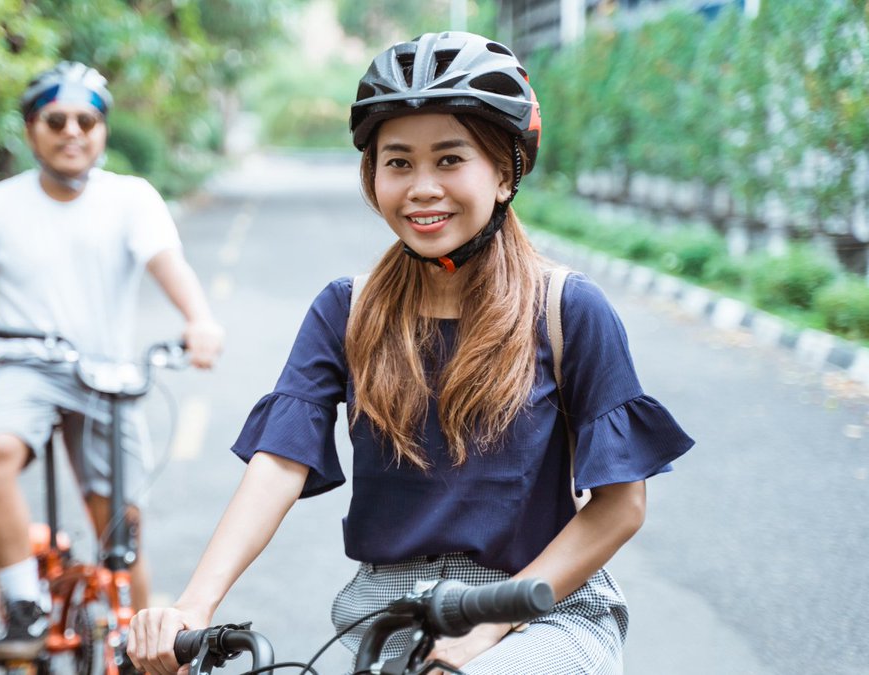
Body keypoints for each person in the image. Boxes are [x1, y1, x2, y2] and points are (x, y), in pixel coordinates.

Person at [126, 31, 694, 674]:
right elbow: (280, 461)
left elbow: (622, 504)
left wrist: (491, 624)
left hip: (539, 606)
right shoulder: (347, 309)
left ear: (505, 174)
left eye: (450, 160)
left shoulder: (567, 309)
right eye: (398, 162)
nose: (422, 187)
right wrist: (195, 605)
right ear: (374, 176)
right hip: (387, 613)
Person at [0, 61, 225, 663]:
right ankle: (22, 601)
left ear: (103, 130)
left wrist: (199, 318)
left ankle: (142, 648)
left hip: (106, 372)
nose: (72, 131)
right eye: (56, 120)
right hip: (23, 365)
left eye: (87, 119)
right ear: (32, 130)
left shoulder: (131, 199)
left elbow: (167, 263)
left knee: (121, 533)